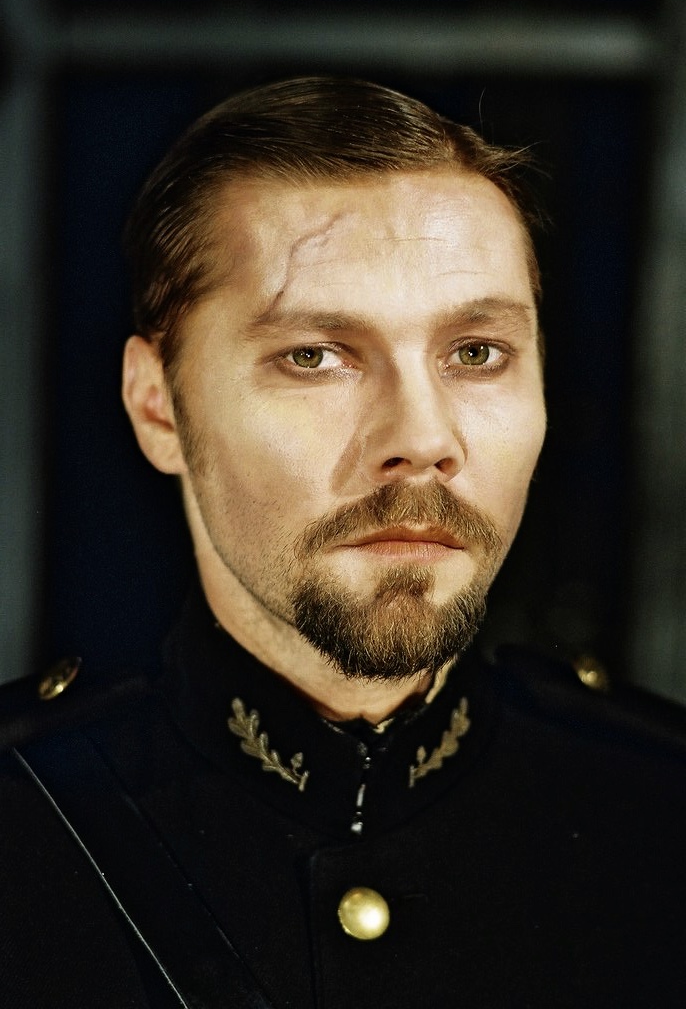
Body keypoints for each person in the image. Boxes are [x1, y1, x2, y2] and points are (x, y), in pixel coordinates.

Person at [1, 76, 684, 1009]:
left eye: (475, 353)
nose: (423, 438)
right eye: (314, 356)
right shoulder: (26, 818)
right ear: (158, 407)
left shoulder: (660, 814)